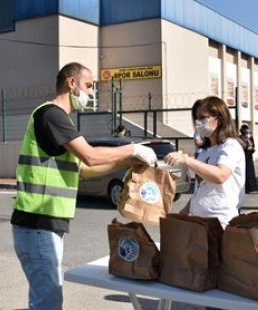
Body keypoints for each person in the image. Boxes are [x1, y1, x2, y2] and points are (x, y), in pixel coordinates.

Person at [11, 62, 158, 310]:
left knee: (44, 300)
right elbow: (90, 155)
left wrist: (128, 160)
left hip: (43, 225)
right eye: (89, 86)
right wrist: (132, 148)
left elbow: (85, 169)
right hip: (37, 223)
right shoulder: (52, 115)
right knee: (48, 303)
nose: (91, 94)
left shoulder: (57, 118)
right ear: (71, 83)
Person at [165, 96, 245, 229]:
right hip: (200, 221)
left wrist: (187, 160)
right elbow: (202, 189)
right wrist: (181, 215)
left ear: (218, 119)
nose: (198, 122)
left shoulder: (230, 146)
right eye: (196, 118)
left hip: (220, 221)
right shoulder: (205, 152)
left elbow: (220, 176)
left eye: (203, 117)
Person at [239, 124, 257, 193]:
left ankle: (252, 187)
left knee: (250, 172)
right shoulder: (240, 138)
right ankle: (245, 187)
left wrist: (251, 147)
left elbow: (253, 146)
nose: (246, 133)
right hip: (243, 156)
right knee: (244, 172)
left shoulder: (250, 137)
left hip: (249, 156)